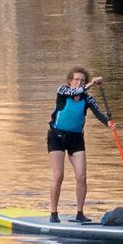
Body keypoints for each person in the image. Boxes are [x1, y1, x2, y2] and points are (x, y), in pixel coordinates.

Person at [44, 66, 108, 220]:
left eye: (82, 80)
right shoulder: (62, 91)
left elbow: (99, 113)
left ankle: (80, 213)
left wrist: (109, 122)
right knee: (58, 175)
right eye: (76, 80)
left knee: (81, 177)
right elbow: (75, 92)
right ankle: (54, 213)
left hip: (76, 139)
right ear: (70, 81)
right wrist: (91, 83)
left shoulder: (88, 98)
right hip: (56, 137)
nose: (79, 83)